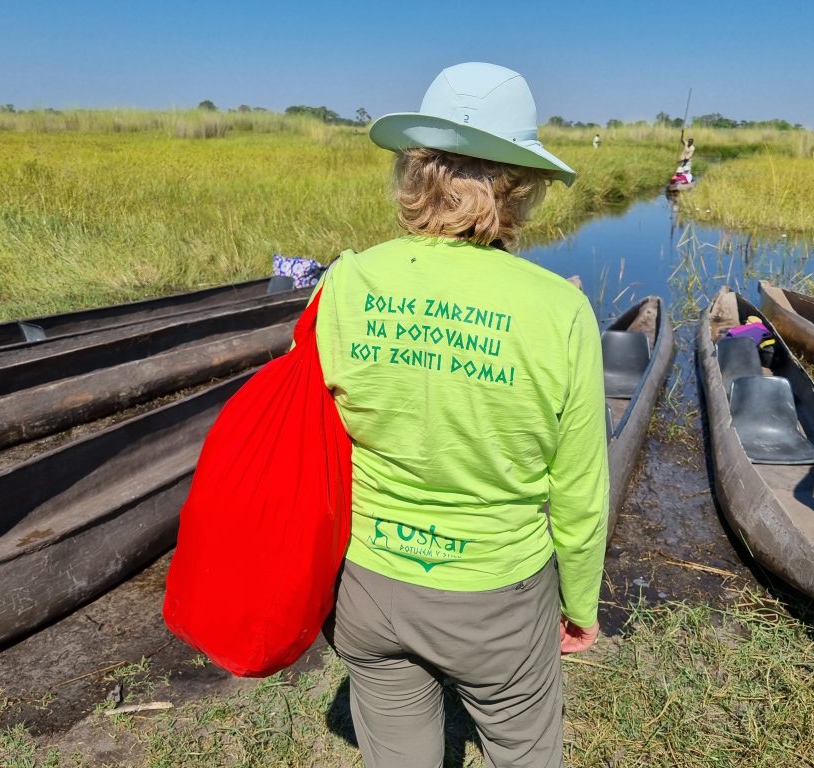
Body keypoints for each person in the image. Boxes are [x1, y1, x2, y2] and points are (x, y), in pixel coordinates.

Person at [315, 62, 609, 768]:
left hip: (366, 583)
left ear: (416, 170)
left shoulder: (346, 281)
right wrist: (580, 604)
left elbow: (310, 437)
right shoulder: (561, 310)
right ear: (519, 186)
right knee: (525, 752)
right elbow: (579, 492)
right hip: (498, 597)